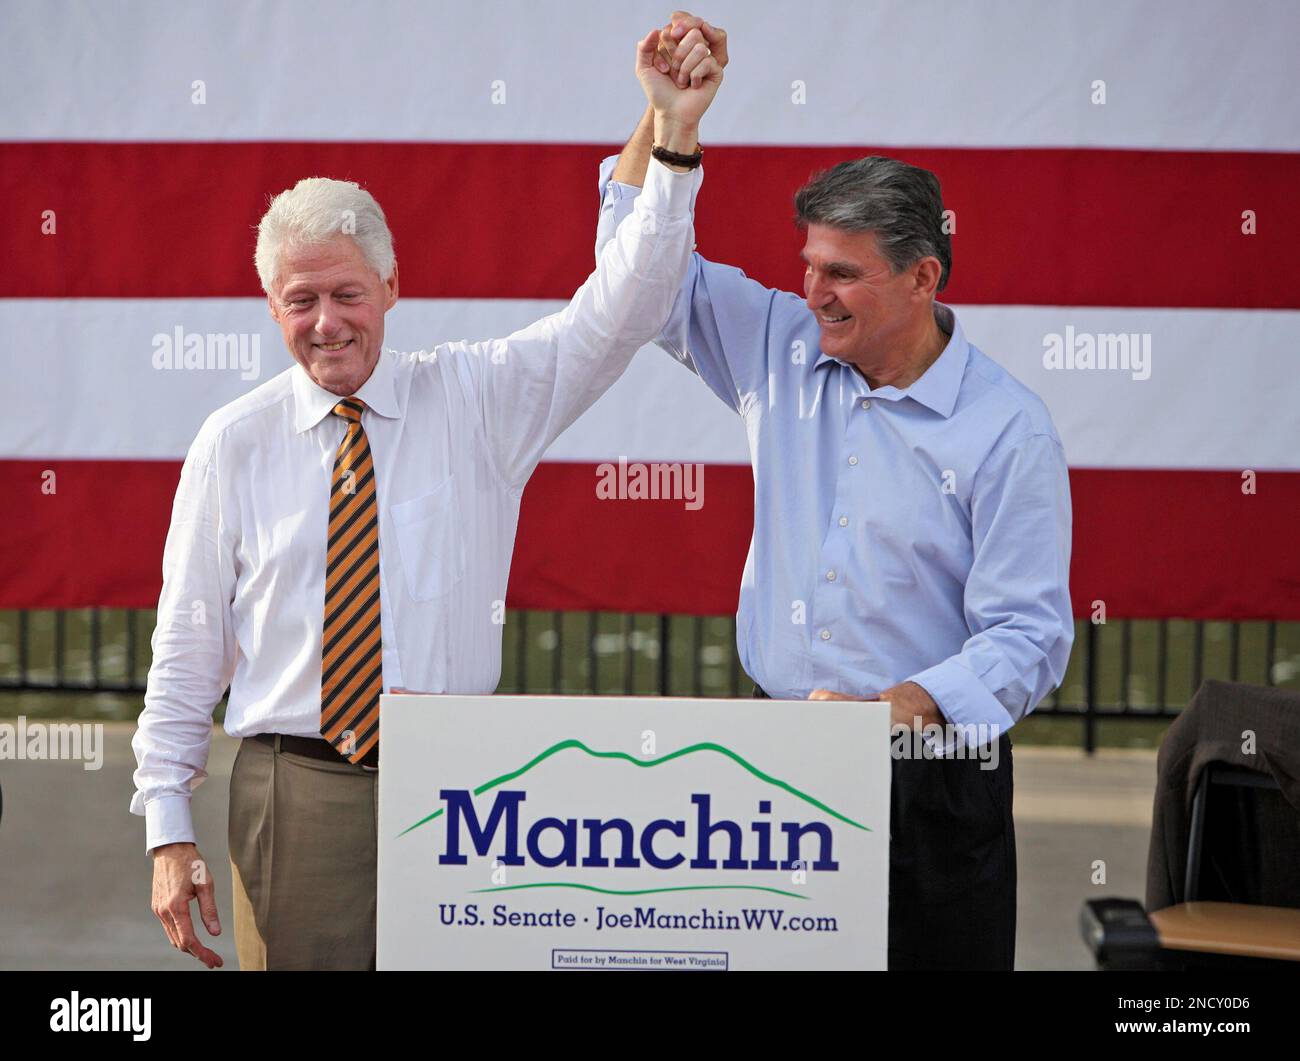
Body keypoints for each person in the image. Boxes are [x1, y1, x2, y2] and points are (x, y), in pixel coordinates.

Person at [129, 26, 724, 971]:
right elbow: (188, 644)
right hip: (299, 797)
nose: (326, 323)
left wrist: (672, 133)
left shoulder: (479, 396)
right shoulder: (232, 443)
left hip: (465, 790)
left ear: (393, 288)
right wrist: (167, 823)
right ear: (271, 308)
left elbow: (627, 307)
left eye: (348, 294)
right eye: (300, 301)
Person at [596, 13, 1074, 970]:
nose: (811, 290)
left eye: (843, 273)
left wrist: (903, 708)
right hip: (777, 763)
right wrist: (667, 124)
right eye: (808, 264)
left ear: (923, 277)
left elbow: (1030, 635)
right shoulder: (778, 344)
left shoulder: (1009, 428)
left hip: (930, 785)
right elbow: (635, 269)